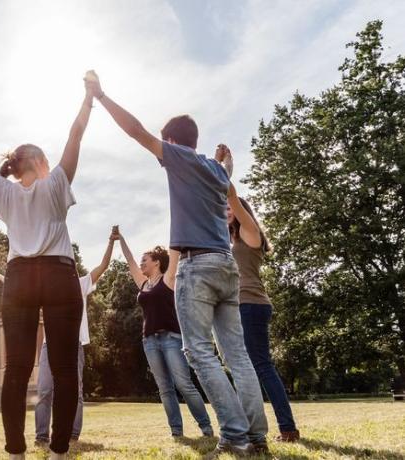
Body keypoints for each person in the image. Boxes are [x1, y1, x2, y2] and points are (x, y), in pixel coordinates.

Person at [86, 70, 268, 455]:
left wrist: (101, 97)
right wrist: (225, 162)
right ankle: (256, 434)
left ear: (171, 142)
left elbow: (136, 130)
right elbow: (224, 180)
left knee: (198, 351)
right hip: (226, 266)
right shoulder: (217, 171)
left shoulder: (179, 158)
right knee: (237, 355)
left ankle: (235, 435)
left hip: (197, 266)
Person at [0, 77, 94, 460]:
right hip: (59, 275)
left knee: (14, 368)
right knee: (65, 370)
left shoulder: (7, 190)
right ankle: (59, 451)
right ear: (39, 162)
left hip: (20, 280)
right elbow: (75, 135)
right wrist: (88, 97)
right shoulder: (55, 183)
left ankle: (16, 452)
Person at [223, 152, 300, 442]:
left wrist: (226, 171)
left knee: (262, 365)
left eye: (231, 209)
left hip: (252, 305)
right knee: (247, 367)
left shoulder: (251, 233)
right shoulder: (231, 239)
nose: (227, 211)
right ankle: (251, 424)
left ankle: (288, 428)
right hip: (240, 307)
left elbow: (233, 201)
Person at [117, 231, 213, 437]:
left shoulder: (169, 279)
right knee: (164, 388)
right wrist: (120, 239)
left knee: (184, 384)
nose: (141, 264)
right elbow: (130, 260)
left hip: (171, 338)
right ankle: (176, 431)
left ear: (156, 263)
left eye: (145, 260)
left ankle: (206, 427)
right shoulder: (143, 284)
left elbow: (175, 253)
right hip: (149, 341)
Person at [28, 229, 116, 446]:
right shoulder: (48, 289)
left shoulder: (82, 283)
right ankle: (41, 436)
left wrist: (111, 242)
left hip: (73, 345)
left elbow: (103, 266)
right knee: (45, 389)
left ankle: (73, 434)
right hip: (50, 345)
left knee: (74, 391)